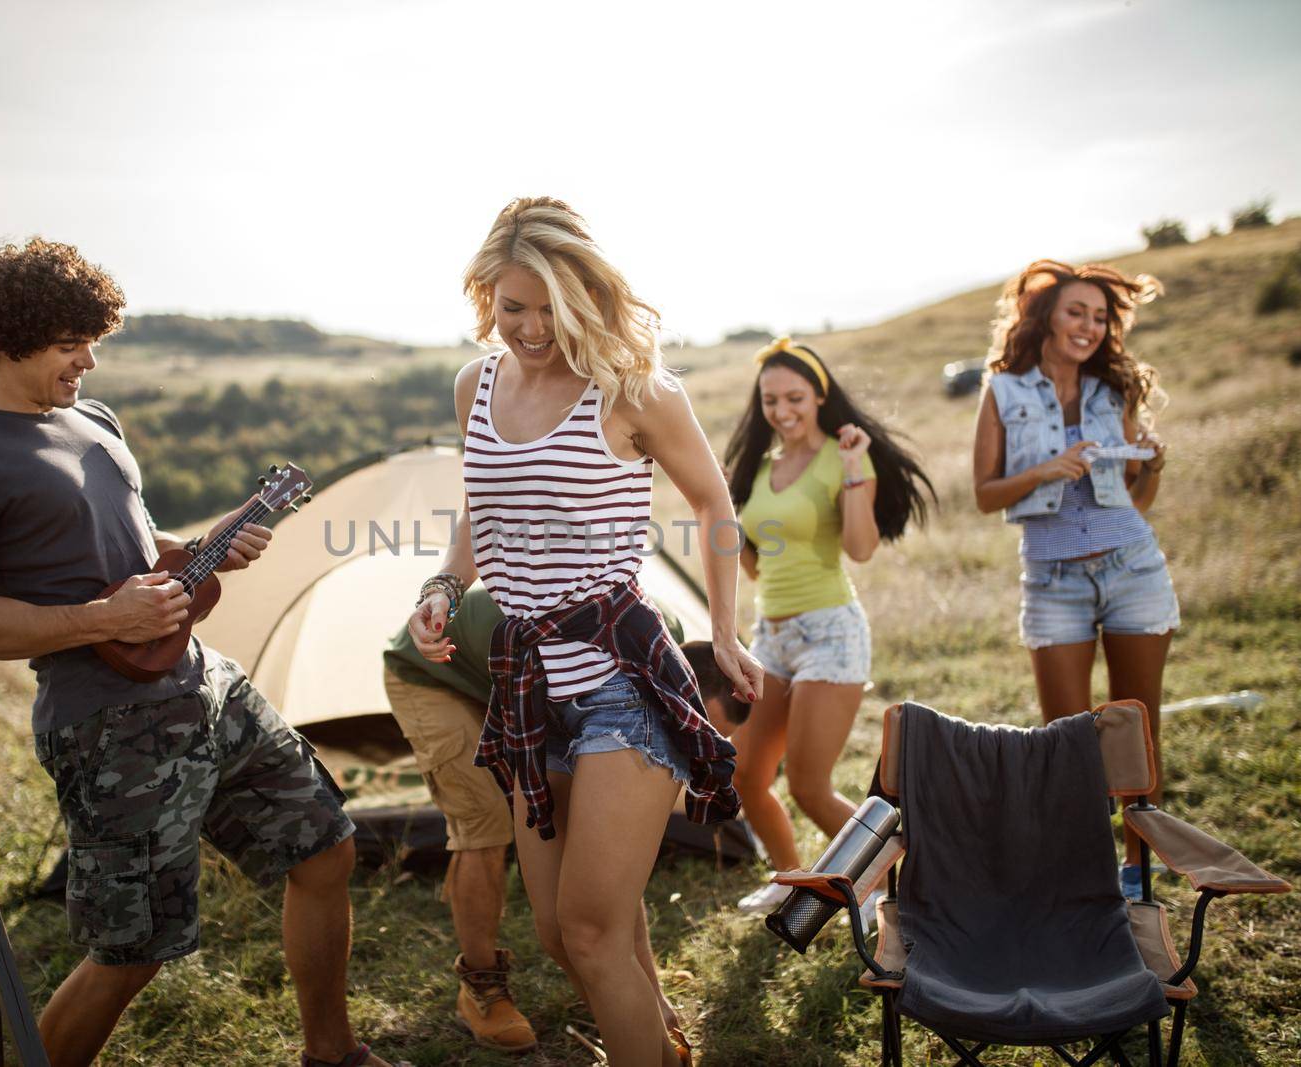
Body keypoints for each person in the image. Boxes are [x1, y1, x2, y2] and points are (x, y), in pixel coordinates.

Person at [0, 239, 405, 1067]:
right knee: (131, 949)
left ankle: (332, 1053)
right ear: (9, 336)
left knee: (325, 845)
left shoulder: (92, 420)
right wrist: (102, 618)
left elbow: (122, 537)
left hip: (206, 684)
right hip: (109, 726)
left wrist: (197, 549)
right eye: (72, 344)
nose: (89, 362)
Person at [406, 196, 762, 1067]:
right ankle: (663, 1044)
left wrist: (727, 628)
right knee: (570, 939)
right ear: (485, 293)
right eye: (509, 305)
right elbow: (480, 516)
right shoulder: (474, 385)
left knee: (592, 932)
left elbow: (714, 502)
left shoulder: (634, 389)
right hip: (527, 682)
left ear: (585, 294)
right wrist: (444, 586)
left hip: (619, 679)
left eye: (547, 307)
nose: (528, 327)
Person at [382, 585, 747, 1052]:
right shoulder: (627, 643)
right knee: (486, 825)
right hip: (436, 674)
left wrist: (650, 992)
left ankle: (641, 1013)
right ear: (679, 683)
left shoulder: (653, 642)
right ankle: (483, 987)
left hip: (527, 687)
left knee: (596, 860)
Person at [972, 259, 1177, 899]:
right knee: (1066, 741)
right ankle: (1085, 875)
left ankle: (1138, 873)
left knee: (1138, 729)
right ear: (1045, 317)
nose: (1089, 326)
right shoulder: (1003, 390)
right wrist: (1046, 470)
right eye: (1076, 312)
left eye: (1099, 316)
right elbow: (984, 493)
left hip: (1132, 567)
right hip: (1052, 577)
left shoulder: (1112, 391)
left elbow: (1134, 505)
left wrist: (1155, 467)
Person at [722, 337, 935, 915]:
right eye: (770, 400)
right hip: (772, 637)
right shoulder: (761, 468)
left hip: (830, 632)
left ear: (818, 396)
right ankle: (790, 878)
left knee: (809, 786)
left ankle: (901, 880)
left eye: (794, 397)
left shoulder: (843, 458)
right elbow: (755, 556)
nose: (782, 410)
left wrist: (851, 473)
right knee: (746, 776)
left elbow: (862, 549)